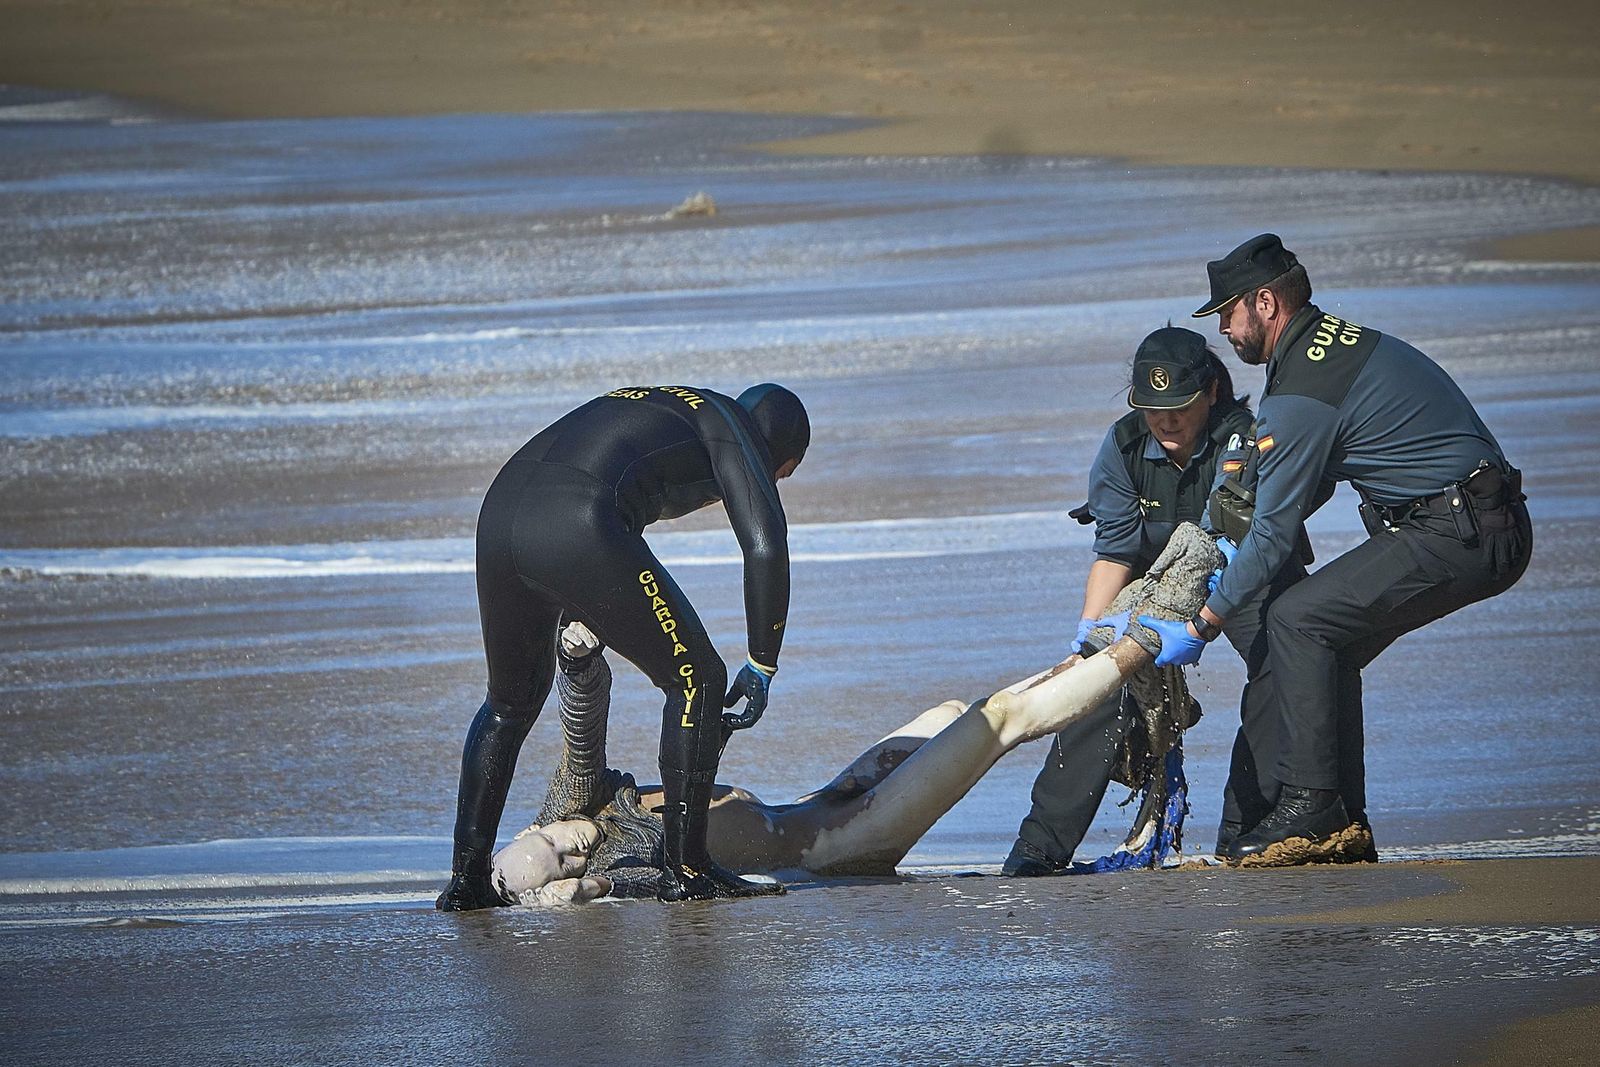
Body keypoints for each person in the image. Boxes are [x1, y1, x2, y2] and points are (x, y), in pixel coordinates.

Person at [493, 525, 1220, 905]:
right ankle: (1144, 643)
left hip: (817, 801)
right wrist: (573, 890)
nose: (571, 842)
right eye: (566, 858)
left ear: (538, 824)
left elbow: (581, 730)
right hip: (839, 845)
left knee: (948, 711)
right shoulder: (622, 869)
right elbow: (618, 890)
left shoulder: (580, 802)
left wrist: (578, 660)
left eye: (552, 838)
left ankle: (1088, 657)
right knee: (997, 721)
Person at [1140, 233, 1533, 865]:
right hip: (1479, 518)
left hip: (1458, 530)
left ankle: (1312, 808)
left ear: (1265, 303)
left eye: (1228, 314)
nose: (1224, 331)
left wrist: (1202, 622)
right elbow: (1302, 486)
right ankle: (1345, 821)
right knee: (1331, 644)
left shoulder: (1302, 389)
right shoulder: (1334, 347)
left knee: (1297, 621)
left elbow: (1273, 532)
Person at [436, 382, 810, 909]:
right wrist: (762, 662)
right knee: (698, 679)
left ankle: (467, 881)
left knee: (508, 705)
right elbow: (765, 542)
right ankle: (686, 871)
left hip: (500, 513)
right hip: (577, 516)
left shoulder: (672, 405)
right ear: (780, 454)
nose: (772, 483)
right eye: (781, 475)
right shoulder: (734, 428)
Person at [1001, 326, 1322, 875]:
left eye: (1179, 407)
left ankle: (1245, 835)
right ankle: (1038, 850)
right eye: (1152, 409)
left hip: (1245, 574)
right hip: (1153, 583)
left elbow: (1229, 536)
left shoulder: (1245, 438)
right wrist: (1089, 635)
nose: (1165, 421)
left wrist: (1201, 621)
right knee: (1096, 687)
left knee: (1279, 667)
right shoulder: (1123, 445)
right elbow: (1115, 551)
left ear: (1211, 392)